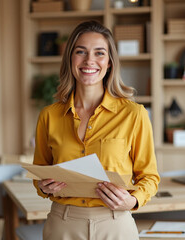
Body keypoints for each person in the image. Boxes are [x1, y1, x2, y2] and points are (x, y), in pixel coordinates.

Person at [33, 20, 159, 240]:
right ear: (70, 59)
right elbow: (40, 171)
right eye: (81, 52)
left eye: (99, 53)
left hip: (116, 224)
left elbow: (149, 176)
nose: (89, 60)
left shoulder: (134, 114)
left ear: (110, 62)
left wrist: (133, 200)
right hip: (62, 225)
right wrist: (44, 186)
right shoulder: (49, 116)